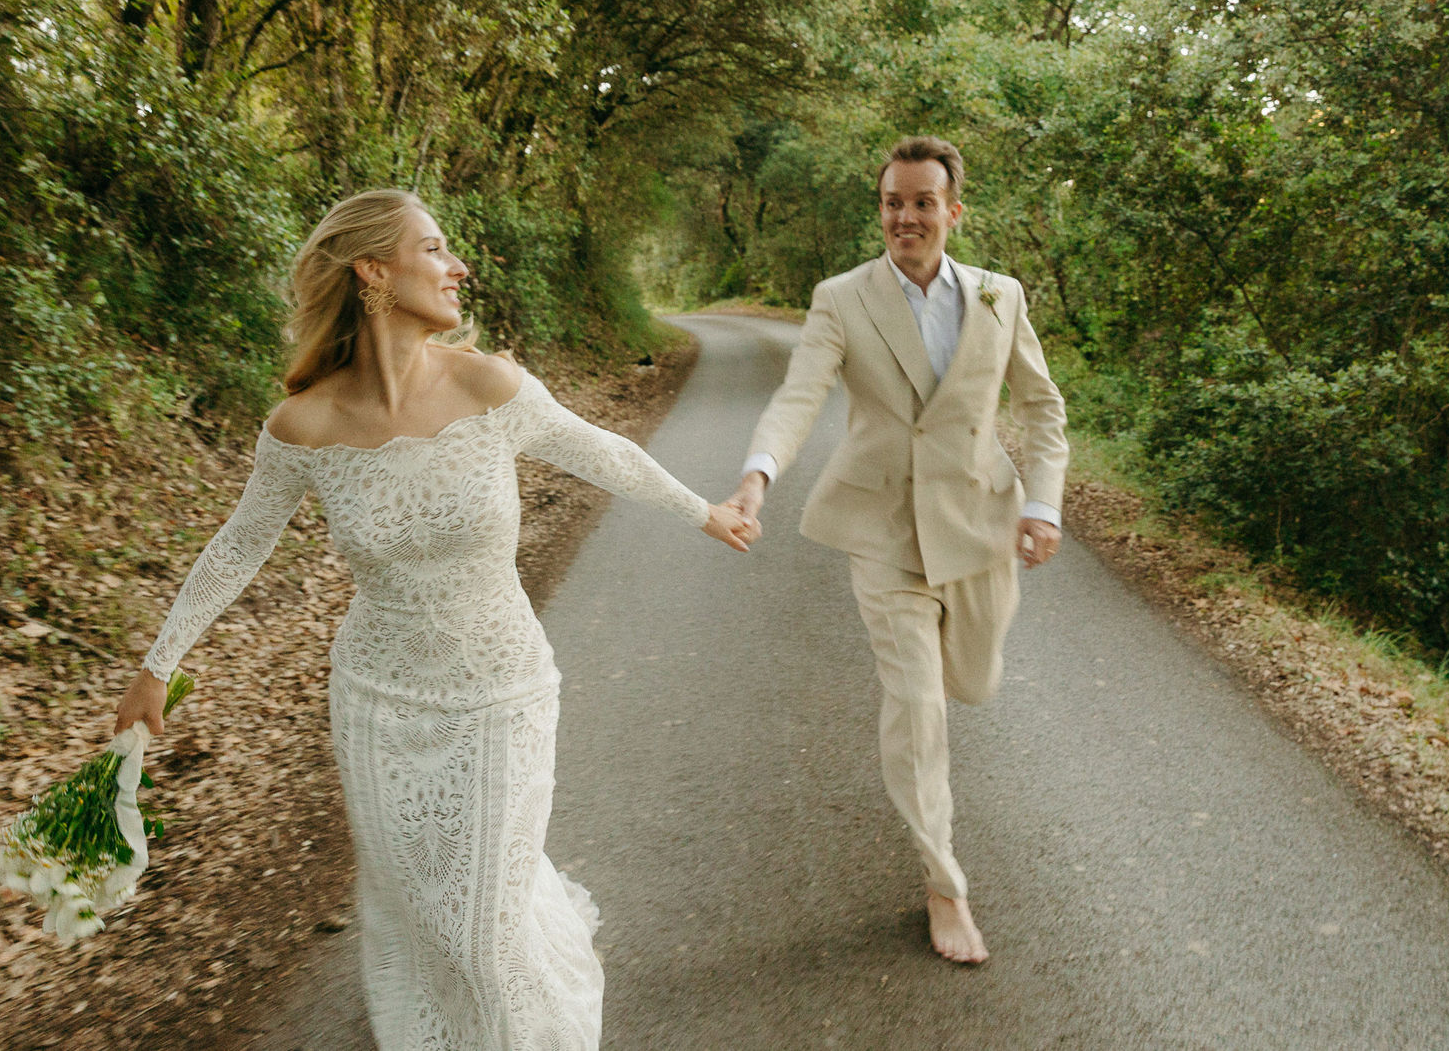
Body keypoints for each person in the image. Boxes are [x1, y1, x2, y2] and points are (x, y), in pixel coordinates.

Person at [111, 188, 758, 1049]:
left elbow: (603, 449)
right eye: (436, 249)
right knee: (425, 915)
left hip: (502, 693)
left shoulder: (488, 385)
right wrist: (159, 663)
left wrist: (702, 510)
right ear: (374, 270)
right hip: (379, 699)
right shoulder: (304, 423)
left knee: (483, 933)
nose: (459, 267)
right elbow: (238, 546)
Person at [725, 135, 1069, 965]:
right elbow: (798, 394)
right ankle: (945, 885)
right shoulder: (842, 298)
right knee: (917, 707)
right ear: (879, 209)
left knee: (973, 681)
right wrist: (756, 475)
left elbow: (1043, 406)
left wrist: (1042, 504)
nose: (904, 217)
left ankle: (955, 680)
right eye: (892, 202)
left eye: (921, 202)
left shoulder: (1000, 297)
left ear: (953, 210)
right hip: (880, 527)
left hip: (979, 522)